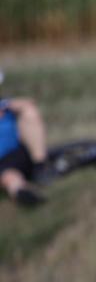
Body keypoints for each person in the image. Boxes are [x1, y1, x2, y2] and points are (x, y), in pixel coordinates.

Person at [0, 69, 49, 206]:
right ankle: (22, 193)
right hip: (3, 165)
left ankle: (40, 166)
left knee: (29, 111)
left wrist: (8, 105)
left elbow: (27, 104)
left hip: (18, 154)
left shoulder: (6, 105)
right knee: (10, 177)